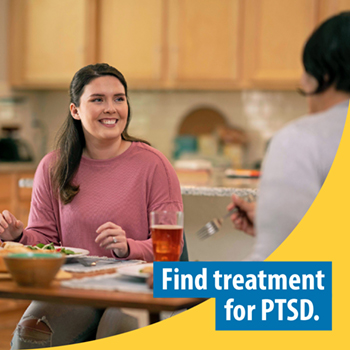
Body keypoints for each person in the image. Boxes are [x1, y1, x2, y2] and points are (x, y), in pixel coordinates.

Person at [0, 63, 183, 348]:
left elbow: (170, 250)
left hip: (138, 287)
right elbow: (45, 241)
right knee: (31, 333)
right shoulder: (53, 166)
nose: (111, 108)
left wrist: (127, 247)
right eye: (98, 99)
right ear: (75, 110)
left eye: (119, 99)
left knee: (119, 329)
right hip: (74, 287)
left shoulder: (154, 165)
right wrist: (18, 238)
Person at [228, 12, 350, 261]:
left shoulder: (300, 139)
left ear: (324, 75)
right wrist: (274, 222)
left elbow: (280, 273)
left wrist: (182, 278)